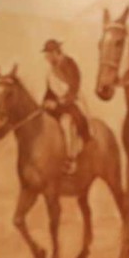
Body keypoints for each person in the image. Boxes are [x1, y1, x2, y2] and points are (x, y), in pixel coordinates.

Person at [41, 39, 90, 173]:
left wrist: (59, 102)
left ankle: (70, 159)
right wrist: (46, 102)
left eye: (48, 54)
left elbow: (74, 87)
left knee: (66, 122)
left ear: (56, 52)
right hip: (58, 105)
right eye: (46, 55)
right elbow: (50, 91)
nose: (47, 58)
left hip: (72, 102)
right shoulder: (50, 71)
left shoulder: (70, 64)